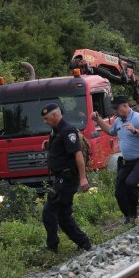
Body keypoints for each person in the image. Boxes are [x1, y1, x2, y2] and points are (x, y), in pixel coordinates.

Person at [91, 95, 139, 224]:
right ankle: (128, 216)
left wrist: (136, 130)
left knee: (131, 182)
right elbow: (110, 131)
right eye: (113, 109)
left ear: (125, 106)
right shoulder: (119, 121)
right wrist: (98, 119)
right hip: (128, 162)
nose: (115, 111)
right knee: (119, 190)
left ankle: (133, 213)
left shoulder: (137, 118)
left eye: (117, 108)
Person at [40, 103, 92, 252]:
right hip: (60, 178)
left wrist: (83, 178)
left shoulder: (68, 130)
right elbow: (60, 149)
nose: (45, 121)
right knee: (63, 216)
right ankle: (84, 243)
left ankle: (52, 246)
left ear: (55, 115)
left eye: (46, 118)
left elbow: (78, 154)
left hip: (67, 178)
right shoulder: (55, 130)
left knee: (49, 211)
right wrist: (48, 146)